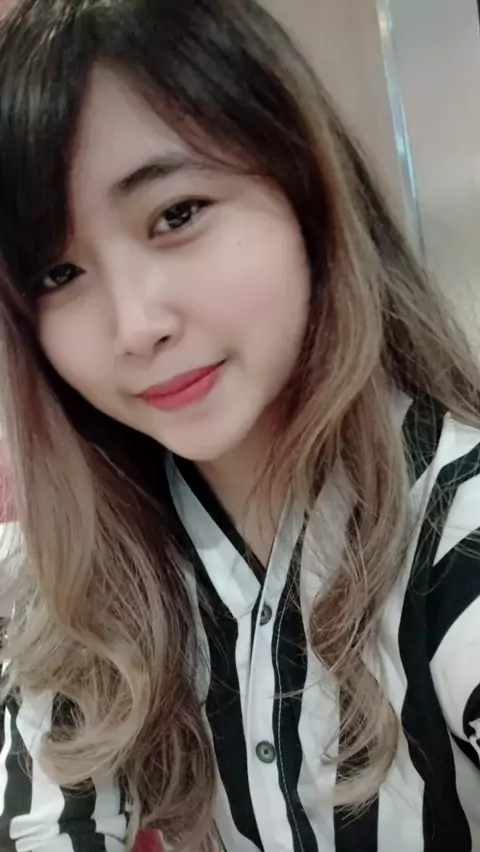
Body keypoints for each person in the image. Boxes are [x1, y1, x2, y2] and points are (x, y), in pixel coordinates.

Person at [0, 0, 479, 850]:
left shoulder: (456, 535)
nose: (135, 326)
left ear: (305, 191)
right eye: (59, 273)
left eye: (177, 214)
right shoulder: (83, 575)